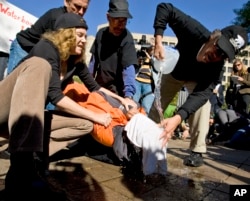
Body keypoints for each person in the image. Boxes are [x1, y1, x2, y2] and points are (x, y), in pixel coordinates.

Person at [0, 13, 133, 200]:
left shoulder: (75, 60)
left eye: (84, 36)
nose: (82, 40)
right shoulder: (46, 48)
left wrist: (122, 100)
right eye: (78, 35)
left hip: (24, 124)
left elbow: (95, 87)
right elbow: (56, 97)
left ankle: (34, 161)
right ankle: (21, 170)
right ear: (64, 34)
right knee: (40, 65)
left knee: (85, 124)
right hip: (5, 109)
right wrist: (95, 116)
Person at [149, 3, 248, 167]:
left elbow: (201, 95)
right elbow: (165, 7)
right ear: (213, 37)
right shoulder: (194, 31)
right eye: (218, 48)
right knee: (157, 106)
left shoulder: (216, 69)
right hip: (175, 72)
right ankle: (144, 141)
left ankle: (197, 150)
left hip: (196, 80)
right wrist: (158, 40)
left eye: (223, 55)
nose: (215, 56)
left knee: (203, 106)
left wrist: (178, 117)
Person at [62, 82, 167, 179]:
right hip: (117, 133)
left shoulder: (92, 97)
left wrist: (127, 110)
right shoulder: (107, 126)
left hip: (119, 129)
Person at [6, 0, 90, 74]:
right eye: (77, 6)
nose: (81, 12)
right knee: (13, 81)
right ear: (66, 2)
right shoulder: (56, 17)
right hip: (24, 47)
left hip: (39, 54)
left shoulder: (78, 23)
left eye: (85, 8)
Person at [88, 0, 138, 104]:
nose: (120, 26)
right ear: (108, 17)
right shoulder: (100, 34)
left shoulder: (127, 38)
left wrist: (128, 96)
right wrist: (87, 83)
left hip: (118, 92)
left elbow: (128, 69)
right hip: (99, 87)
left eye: (124, 21)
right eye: (117, 20)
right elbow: (93, 63)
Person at [133, 42, 157, 115]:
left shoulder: (156, 57)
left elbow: (157, 68)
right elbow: (134, 67)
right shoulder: (140, 55)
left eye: (153, 46)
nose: (151, 47)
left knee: (146, 107)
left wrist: (150, 58)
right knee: (133, 104)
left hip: (149, 85)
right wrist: (137, 61)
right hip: (137, 82)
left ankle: (143, 124)